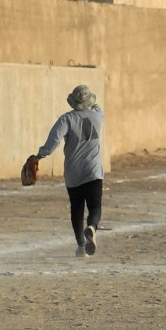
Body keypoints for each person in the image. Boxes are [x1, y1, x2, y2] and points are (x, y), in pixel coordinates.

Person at [36, 85, 104, 257]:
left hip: (73, 172)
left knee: (76, 208)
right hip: (93, 170)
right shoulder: (97, 116)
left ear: (73, 102)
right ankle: (92, 227)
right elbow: (97, 107)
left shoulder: (66, 119)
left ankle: (81, 246)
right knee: (95, 205)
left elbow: (54, 141)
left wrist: (39, 156)